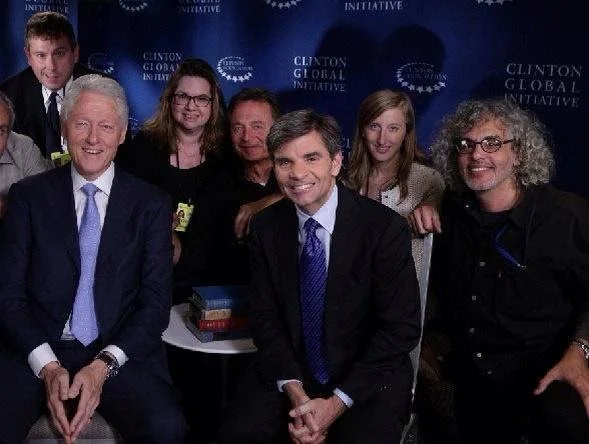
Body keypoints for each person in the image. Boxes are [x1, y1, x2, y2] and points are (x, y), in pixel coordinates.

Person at [0, 74, 187, 443]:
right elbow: (8, 297)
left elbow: (154, 305)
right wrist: (48, 366)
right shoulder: (27, 197)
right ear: (65, 129)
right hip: (35, 349)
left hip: (117, 353)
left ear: (121, 134)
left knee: (167, 427)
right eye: (82, 124)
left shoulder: (151, 205)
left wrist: (103, 365)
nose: (92, 138)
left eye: (106, 126)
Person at [219, 109, 421, 444]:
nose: (298, 173)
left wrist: (334, 405)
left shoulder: (383, 229)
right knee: (237, 434)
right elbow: (265, 320)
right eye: (284, 162)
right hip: (291, 371)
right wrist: (297, 395)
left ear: (336, 162)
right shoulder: (266, 228)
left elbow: (400, 330)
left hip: (366, 377)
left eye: (311, 157)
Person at [422, 98, 589, 443]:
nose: (477, 155)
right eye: (465, 145)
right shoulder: (451, 210)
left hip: (546, 369)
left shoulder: (567, 216)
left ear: (519, 153)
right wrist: (420, 210)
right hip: (475, 378)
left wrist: (579, 350)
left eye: (492, 143)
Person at [115, 58, 229, 281]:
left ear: (213, 105)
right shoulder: (143, 147)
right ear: (170, 100)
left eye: (202, 99)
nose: (191, 106)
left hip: (209, 278)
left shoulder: (225, 155)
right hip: (149, 272)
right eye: (183, 96)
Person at [344, 90, 444, 274]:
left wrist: (430, 207)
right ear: (363, 130)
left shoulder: (429, 180)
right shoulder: (345, 182)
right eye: (374, 126)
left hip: (404, 297)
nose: (382, 139)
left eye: (393, 128)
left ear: (406, 132)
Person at [0, 11, 100, 159]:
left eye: (59, 54)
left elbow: (120, 160)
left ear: (75, 53)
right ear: (28, 57)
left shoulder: (104, 91)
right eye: (41, 55)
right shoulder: (8, 97)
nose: (51, 66)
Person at [0, 91, 52, 220]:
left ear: (9, 132)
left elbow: (47, 201)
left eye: (1, 131)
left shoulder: (23, 147)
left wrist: (6, 204)